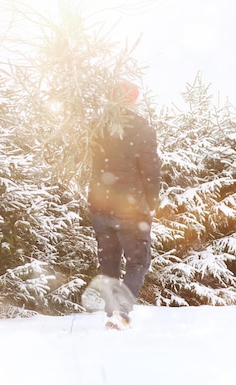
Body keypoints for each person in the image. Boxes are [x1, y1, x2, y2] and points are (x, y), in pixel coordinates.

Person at [88, 81, 161, 329]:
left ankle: (112, 312)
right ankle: (121, 312)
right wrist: (152, 202)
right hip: (130, 208)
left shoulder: (97, 128)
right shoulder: (142, 129)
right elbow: (151, 170)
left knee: (108, 260)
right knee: (138, 260)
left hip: (100, 206)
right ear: (133, 101)